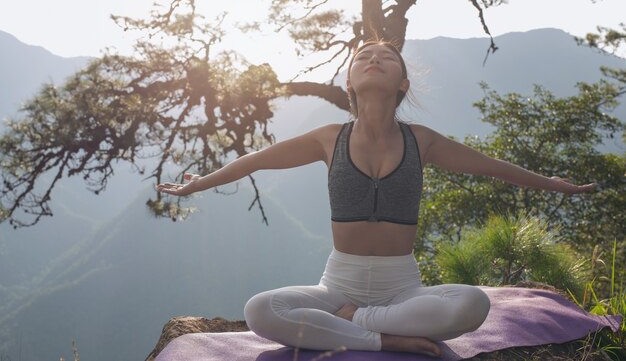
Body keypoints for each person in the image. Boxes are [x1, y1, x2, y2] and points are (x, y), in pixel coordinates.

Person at [156, 40, 597, 357]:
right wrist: (198, 184)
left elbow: (496, 167)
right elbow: (256, 160)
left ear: (401, 83)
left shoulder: (421, 141)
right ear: (349, 79)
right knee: (260, 311)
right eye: (363, 56)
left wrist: (551, 183)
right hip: (338, 284)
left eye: (386, 57)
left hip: (401, 287)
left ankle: (356, 324)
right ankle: (383, 338)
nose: (373, 59)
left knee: (474, 304)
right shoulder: (329, 138)